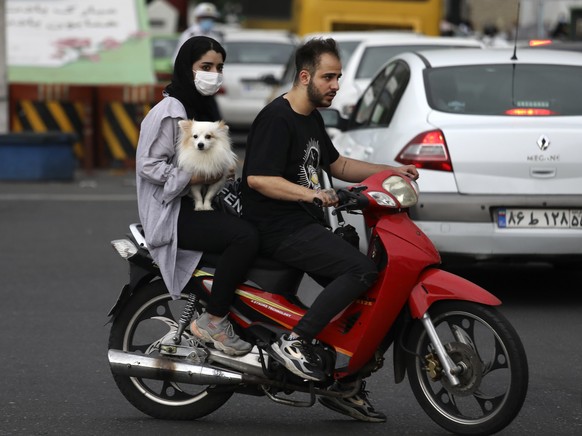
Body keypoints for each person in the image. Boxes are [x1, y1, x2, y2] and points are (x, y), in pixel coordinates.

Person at [241, 38, 419, 421]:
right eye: (328, 76)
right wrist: (313, 194)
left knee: (372, 290)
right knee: (359, 270)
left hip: (302, 222)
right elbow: (258, 179)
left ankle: (343, 382)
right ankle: (297, 340)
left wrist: (387, 171)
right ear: (305, 76)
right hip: (277, 227)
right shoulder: (277, 118)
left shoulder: (310, 118)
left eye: (337, 76)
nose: (336, 84)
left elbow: (337, 165)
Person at [136, 36, 259, 356]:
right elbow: (148, 165)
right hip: (173, 212)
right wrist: (196, 175)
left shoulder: (200, 108)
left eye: (219, 67)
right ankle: (214, 320)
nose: (214, 74)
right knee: (243, 238)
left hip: (196, 203)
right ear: (186, 68)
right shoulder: (169, 111)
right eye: (206, 66)